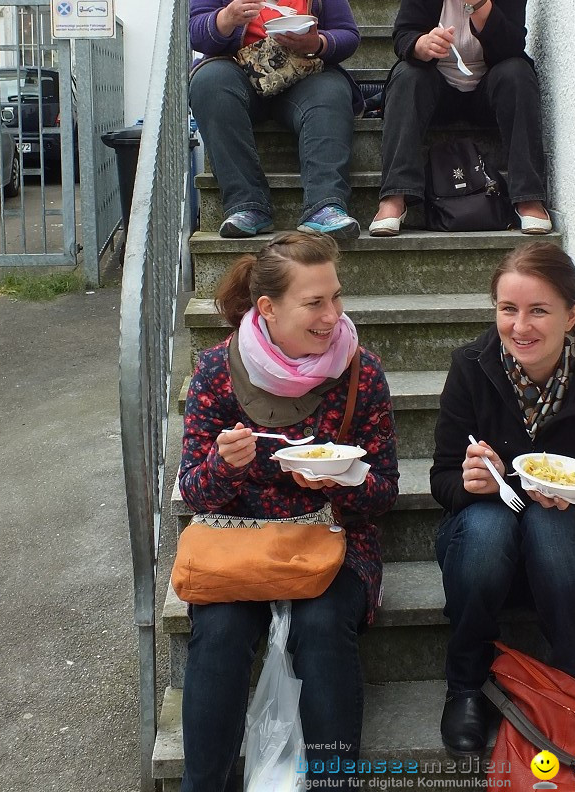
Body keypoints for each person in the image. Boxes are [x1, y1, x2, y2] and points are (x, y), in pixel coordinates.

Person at [179, 232, 399, 792]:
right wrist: (225, 466)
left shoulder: (360, 372)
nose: (332, 316)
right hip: (240, 540)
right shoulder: (217, 371)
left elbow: (385, 492)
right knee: (222, 629)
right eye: (315, 303)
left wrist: (342, 481)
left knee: (323, 625)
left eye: (336, 298)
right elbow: (196, 494)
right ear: (268, 310)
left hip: (332, 539)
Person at [430, 242, 575, 757]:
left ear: (572, 316)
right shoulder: (472, 368)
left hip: (569, 555)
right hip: (483, 558)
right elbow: (441, 481)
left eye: (538, 310)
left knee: (549, 525)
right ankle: (466, 688)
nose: (520, 326)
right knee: (487, 524)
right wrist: (471, 483)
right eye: (508, 309)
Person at [189, 0, 363, 240]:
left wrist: (316, 42)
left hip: (299, 77)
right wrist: (226, 19)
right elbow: (196, 31)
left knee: (332, 89)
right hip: (239, 76)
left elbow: (348, 35)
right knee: (208, 82)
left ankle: (326, 206)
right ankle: (246, 206)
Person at [369, 0, 551, 237]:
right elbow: (403, 35)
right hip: (437, 88)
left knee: (517, 72)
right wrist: (421, 45)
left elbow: (512, 46)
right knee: (407, 75)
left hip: (488, 89)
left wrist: (479, 0)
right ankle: (394, 198)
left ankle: (528, 198)